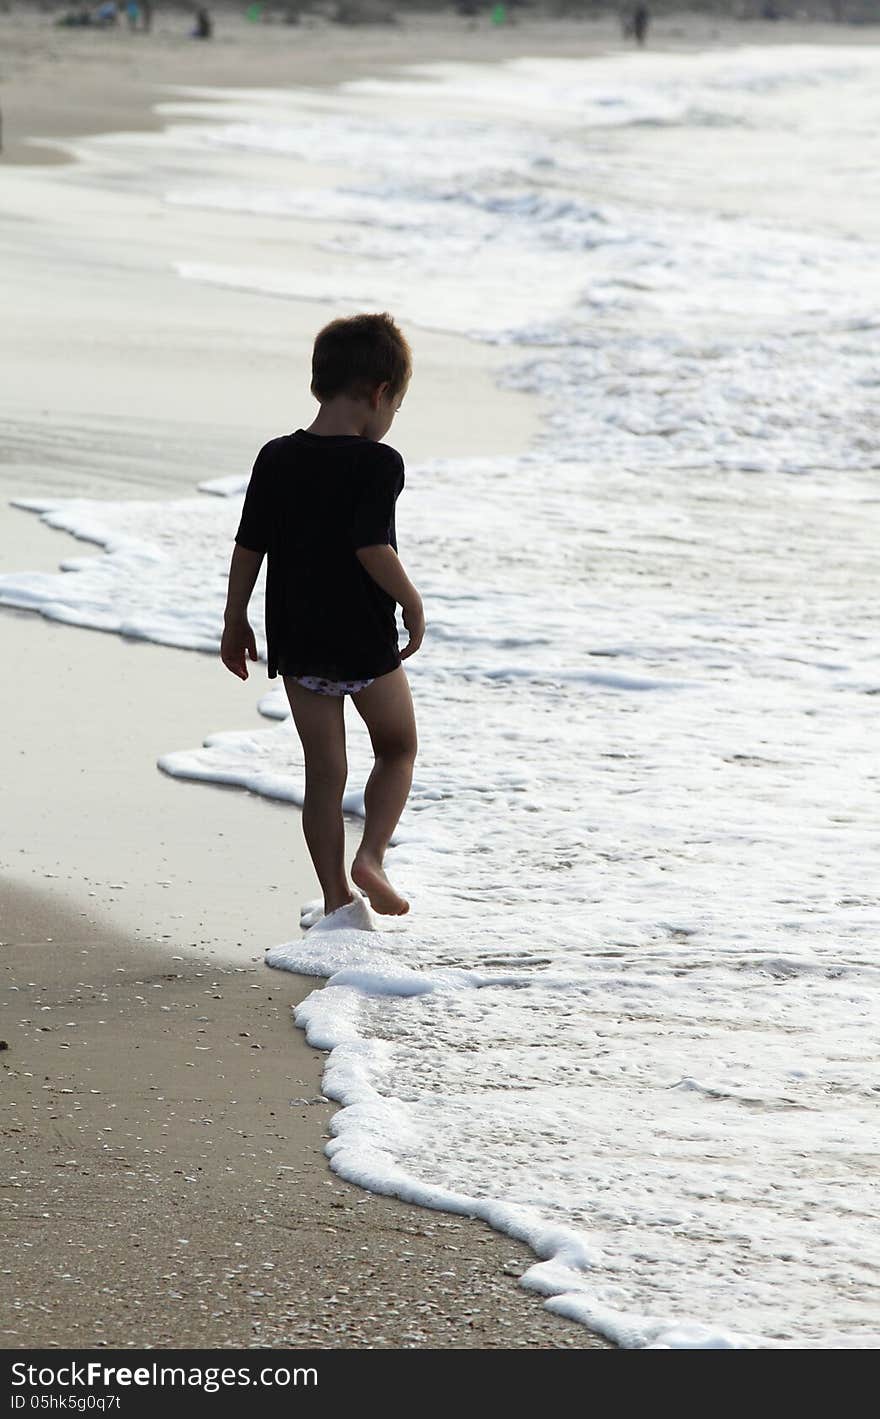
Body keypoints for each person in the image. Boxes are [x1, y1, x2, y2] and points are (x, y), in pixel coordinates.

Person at [221, 313, 424, 928]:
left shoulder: (276, 456)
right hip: (362, 637)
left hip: (298, 637)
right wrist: (413, 602)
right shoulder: (378, 462)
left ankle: (337, 894)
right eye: (398, 404)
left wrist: (235, 621)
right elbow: (372, 546)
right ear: (381, 393)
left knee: (324, 773)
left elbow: (249, 545)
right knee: (398, 747)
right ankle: (371, 858)